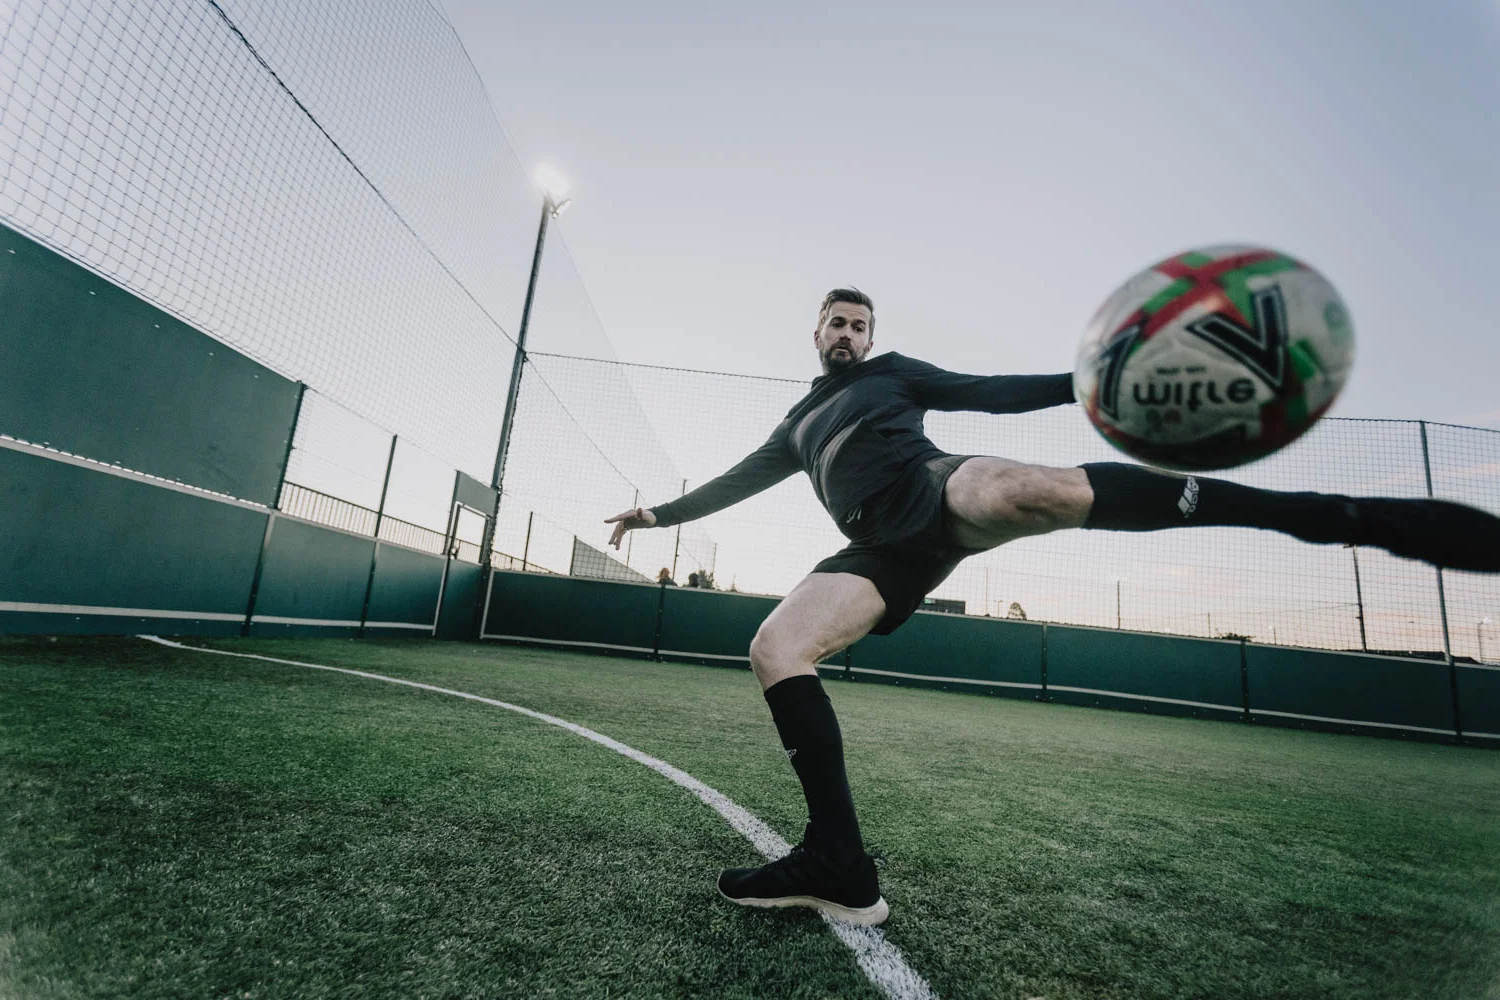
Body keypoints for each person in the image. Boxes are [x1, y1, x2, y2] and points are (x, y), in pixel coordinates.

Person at [605, 287, 1500, 927]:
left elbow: (991, 392)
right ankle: (838, 863)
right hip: (873, 547)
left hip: (937, 486)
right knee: (774, 647)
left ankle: (1322, 517)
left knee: (1016, 489)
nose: (848, 333)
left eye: (861, 324)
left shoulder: (895, 376)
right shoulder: (794, 427)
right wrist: (656, 514)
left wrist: (1086, 385)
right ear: (815, 332)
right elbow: (729, 486)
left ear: (873, 337)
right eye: (838, 323)